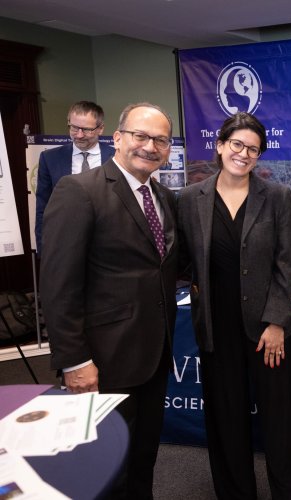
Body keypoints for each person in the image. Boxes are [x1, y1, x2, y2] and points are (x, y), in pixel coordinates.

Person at [41, 102, 178, 499]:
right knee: (105, 466)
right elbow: (58, 284)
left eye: (160, 140)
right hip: (103, 361)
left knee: (142, 457)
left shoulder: (163, 197)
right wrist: (74, 360)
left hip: (153, 354)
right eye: (141, 136)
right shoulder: (79, 191)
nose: (150, 146)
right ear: (117, 138)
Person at [177, 112, 291, 499]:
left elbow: (287, 263)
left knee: (279, 423)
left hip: (268, 329)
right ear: (219, 145)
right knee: (226, 420)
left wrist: (277, 321)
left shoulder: (278, 197)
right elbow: (183, 259)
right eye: (237, 144)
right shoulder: (188, 198)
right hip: (217, 326)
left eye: (253, 148)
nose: (244, 154)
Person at [35, 100, 115, 252]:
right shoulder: (50, 158)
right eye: (74, 128)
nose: (79, 135)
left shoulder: (117, 157)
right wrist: (43, 247)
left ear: (100, 129)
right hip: (65, 243)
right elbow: (43, 207)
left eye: (86, 130)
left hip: (109, 243)